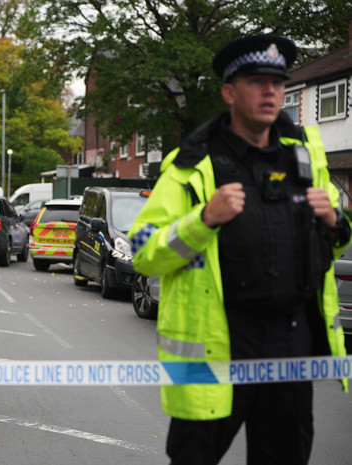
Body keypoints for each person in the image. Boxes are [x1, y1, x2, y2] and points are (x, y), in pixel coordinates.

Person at [129, 34, 351, 465]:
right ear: (230, 92)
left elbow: (337, 238)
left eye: (278, 82)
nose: (270, 91)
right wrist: (202, 220)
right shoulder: (191, 166)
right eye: (256, 81)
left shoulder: (305, 159)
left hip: (290, 346)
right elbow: (141, 250)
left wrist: (335, 223)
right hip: (222, 345)